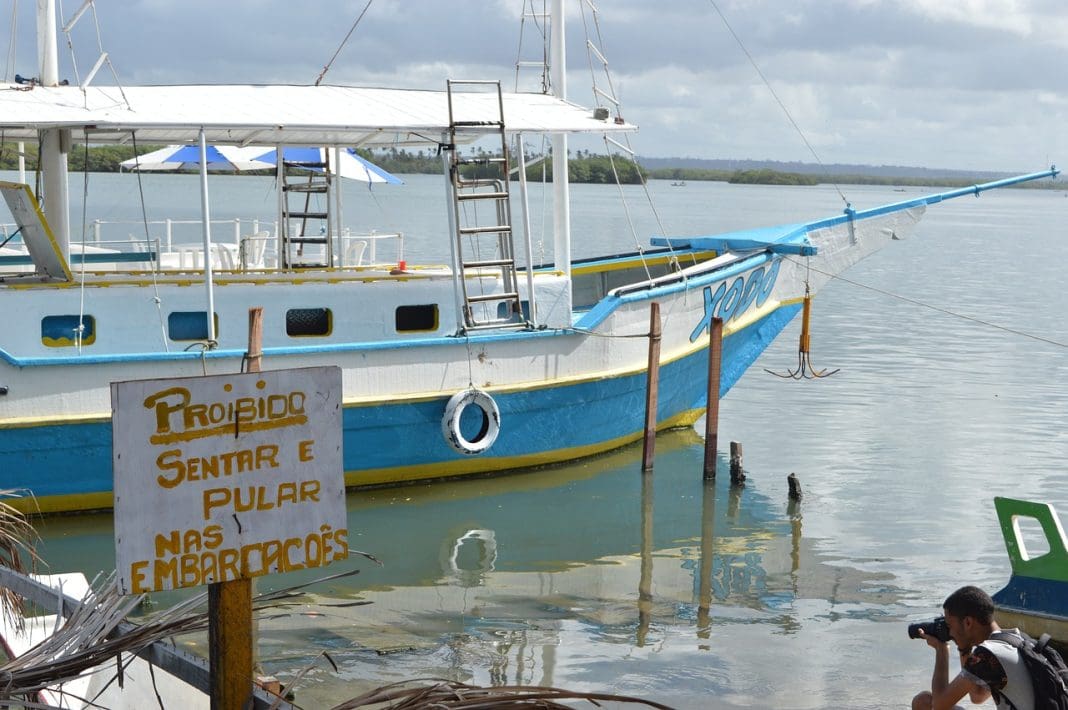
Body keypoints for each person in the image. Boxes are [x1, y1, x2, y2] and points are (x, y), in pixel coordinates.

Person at [912, 585, 1035, 710]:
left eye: (950, 626)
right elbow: (977, 696)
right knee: (924, 701)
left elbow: (939, 706)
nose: (950, 633)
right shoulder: (1019, 640)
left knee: (923, 704)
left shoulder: (987, 654)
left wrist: (941, 650)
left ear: (968, 622)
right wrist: (963, 647)